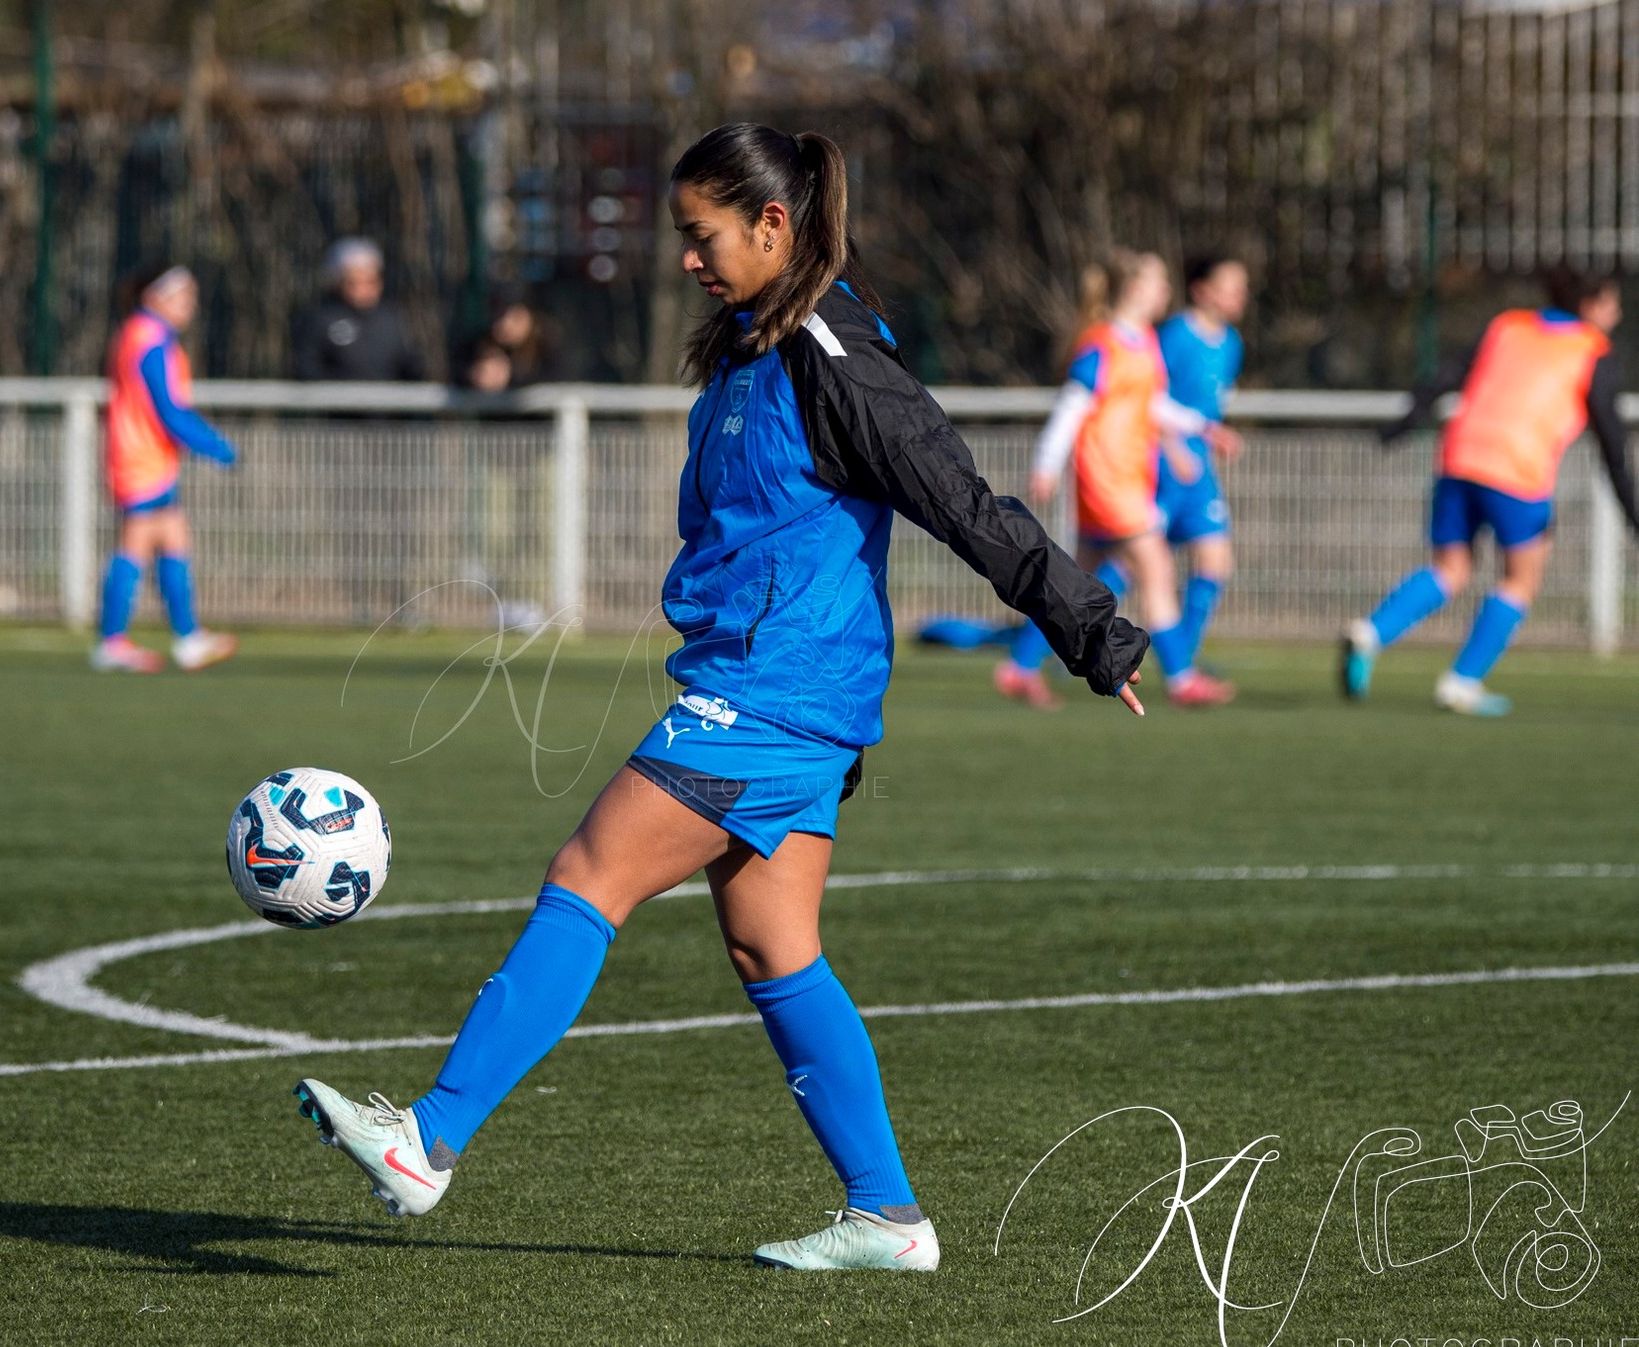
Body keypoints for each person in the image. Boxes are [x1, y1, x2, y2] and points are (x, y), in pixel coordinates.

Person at [292, 123, 1149, 1272]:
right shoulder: (755, 343)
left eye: (701, 236)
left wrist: (1088, 630)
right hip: (771, 686)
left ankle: (428, 1138)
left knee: (589, 874)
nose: (686, 259)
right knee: (770, 944)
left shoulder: (835, 357)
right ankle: (887, 1216)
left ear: (771, 224)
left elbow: (961, 498)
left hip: (777, 692)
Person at [1342, 266, 1639, 715]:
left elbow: (1447, 374)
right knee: (1522, 577)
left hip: (1460, 453)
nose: (1615, 314)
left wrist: (1410, 417)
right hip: (1518, 468)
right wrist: (1633, 514)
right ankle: (1462, 681)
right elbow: (1613, 447)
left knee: (1450, 567)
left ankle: (1371, 633)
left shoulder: (1508, 325)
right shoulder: (1592, 350)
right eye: (1611, 304)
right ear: (1588, 305)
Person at [991, 251, 1240, 709]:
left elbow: (1152, 406)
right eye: (1157, 281)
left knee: (1076, 580)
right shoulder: (1102, 344)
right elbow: (1072, 407)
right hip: (1109, 482)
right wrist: (1046, 463)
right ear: (1134, 289)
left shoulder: (1143, 342)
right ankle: (1183, 678)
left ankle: (1019, 666)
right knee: (1157, 569)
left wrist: (1203, 428)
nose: (1166, 290)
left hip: (1124, 480)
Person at [93, 264, 238, 674]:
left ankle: (188, 638)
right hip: (138, 459)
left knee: (174, 539)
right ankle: (112, 641)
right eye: (182, 296)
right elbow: (167, 409)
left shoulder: (148, 335)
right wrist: (213, 444)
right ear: (154, 297)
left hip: (151, 458)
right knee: (134, 544)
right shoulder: (148, 338)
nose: (190, 304)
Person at [1156, 256, 1249, 666]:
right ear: (1202, 290)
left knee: (1215, 559)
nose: (1239, 296)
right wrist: (1172, 448)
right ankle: (1059, 643)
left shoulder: (1232, 344)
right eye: (1230, 286)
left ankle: (1183, 659)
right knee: (1125, 563)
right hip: (1161, 462)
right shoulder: (1176, 335)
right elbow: (1147, 396)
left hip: (1199, 468)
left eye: (1242, 288)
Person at [293, 238, 427, 382]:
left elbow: (412, 364)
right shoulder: (320, 319)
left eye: (370, 281)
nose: (363, 289)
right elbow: (308, 367)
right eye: (354, 282)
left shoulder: (393, 319)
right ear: (338, 282)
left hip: (386, 402)